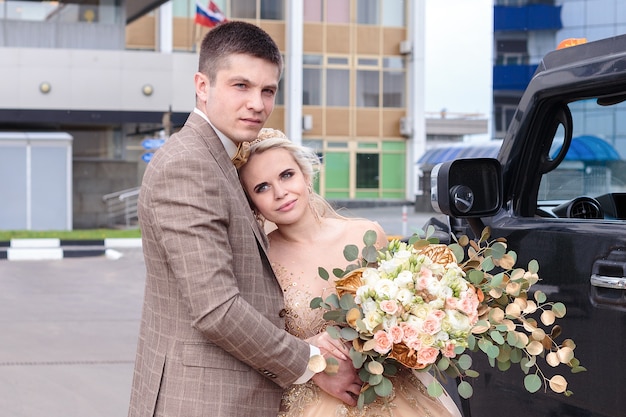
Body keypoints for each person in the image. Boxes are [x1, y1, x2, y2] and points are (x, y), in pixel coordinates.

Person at [127, 21, 361, 417]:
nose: (257, 103)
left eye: (267, 90)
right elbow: (216, 309)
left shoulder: (221, 160)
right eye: (241, 86)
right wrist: (314, 364)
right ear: (202, 86)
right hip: (203, 400)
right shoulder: (189, 165)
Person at [237, 128, 464, 417]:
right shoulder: (260, 261)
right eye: (262, 187)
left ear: (306, 175)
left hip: (390, 389)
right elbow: (258, 338)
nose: (280, 193)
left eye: (286, 175)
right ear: (252, 203)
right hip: (313, 398)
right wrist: (308, 352)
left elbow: (405, 310)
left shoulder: (366, 235)